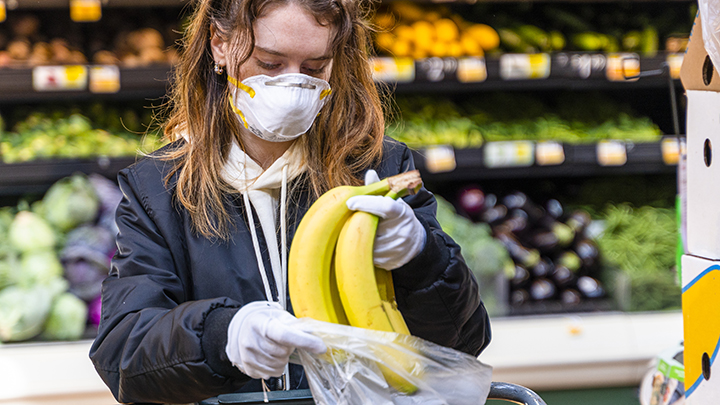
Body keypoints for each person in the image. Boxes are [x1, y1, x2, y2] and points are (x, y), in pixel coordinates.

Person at [89, 0, 492, 403]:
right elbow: (122, 355)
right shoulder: (159, 189)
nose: (294, 85)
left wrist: (420, 258)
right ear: (219, 44)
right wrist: (221, 335)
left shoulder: (377, 169)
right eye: (269, 63)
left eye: (316, 67)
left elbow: (464, 342)